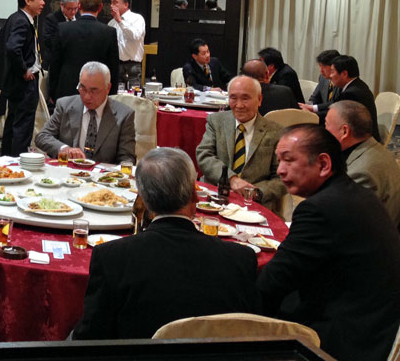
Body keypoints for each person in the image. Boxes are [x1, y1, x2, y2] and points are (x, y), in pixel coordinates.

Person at [71, 147, 260, 340]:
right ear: (194, 196)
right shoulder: (241, 259)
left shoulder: (112, 258)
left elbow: (89, 339)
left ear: (144, 201)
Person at [259, 124, 400, 361]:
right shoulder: (358, 194)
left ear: (323, 164)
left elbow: (272, 283)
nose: (280, 170)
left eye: (288, 160)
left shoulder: (319, 209)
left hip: (346, 339)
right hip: (378, 324)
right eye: (279, 160)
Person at [196, 76, 287, 213]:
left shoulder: (276, 132)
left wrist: (256, 192)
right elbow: (204, 155)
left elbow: (282, 177)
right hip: (214, 198)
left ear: (259, 100)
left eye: (245, 98)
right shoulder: (216, 121)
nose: (239, 105)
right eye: (233, 98)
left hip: (253, 207)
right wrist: (232, 179)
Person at [36, 62, 134, 163]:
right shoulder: (65, 105)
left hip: (104, 172)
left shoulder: (124, 115)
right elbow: (42, 137)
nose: (87, 96)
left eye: (94, 91)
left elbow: (127, 157)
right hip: (68, 169)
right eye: (83, 88)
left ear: (108, 88)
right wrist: (64, 148)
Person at [324, 100, 400, 227]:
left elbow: (342, 222)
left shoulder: (362, 173)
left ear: (344, 131)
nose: (324, 130)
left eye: (326, 125)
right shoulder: (374, 149)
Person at [0, 0, 44, 156]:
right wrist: (24, 70)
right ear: (27, 0)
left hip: (14, 81)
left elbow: (2, 43)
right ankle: (18, 161)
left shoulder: (15, 17)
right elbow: (12, 48)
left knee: (13, 122)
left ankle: (7, 159)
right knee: (23, 126)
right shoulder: (22, 21)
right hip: (24, 82)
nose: (43, 3)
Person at [48, 0, 119, 102]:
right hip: (97, 91)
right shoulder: (109, 32)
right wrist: (112, 94)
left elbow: (55, 63)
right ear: (100, 7)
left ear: (79, 6)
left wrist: (52, 92)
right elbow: (113, 68)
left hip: (66, 90)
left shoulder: (63, 28)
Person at [302, 54, 380, 143]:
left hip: (363, 140)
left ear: (344, 74)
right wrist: (312, 108)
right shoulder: (355, 85)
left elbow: (336, 114)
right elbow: (334, 103)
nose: (330, 76)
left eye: (332, 72)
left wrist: (310, 116)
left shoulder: (353, 92)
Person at [108, 0, 145, 86]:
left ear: (126, 4)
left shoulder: (137, 18)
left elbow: (135, 36)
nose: (111, 5)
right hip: (117, 65)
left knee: (133, 93)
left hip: (132, 65)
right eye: (111, 3)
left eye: (115, 2)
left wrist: (120, 21)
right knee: (116, 93)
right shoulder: (111, 23)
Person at [40, 0, 79, 72]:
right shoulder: (51, 19)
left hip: (74, 65)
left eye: (75, 8)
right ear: (61, 5)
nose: (73, 12)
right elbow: (48, 42)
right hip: (55, 64)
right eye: (69, 9)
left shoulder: (80, 18)